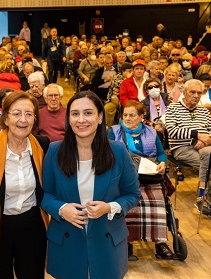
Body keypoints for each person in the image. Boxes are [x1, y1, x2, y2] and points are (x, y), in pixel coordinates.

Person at [40, 91, 140, 279]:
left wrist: (110, 207)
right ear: (68, 119)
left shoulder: (117, 151)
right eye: (75, 114)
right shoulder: (55, 151)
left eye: (88, 113)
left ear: (100, 117)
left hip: (107, 241)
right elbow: (45, 194)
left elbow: (133, 194)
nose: (81, 120)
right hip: (66, 241)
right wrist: (61, 209)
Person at [0, 91, 50, 279]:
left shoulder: (42, 145)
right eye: (16, 113)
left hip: (32, 225)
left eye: (29, 114)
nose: (23, 119)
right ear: (5, 118)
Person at [108, 100, 171, 260]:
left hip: (149, 175)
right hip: (123, 177)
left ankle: (160, 242)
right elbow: (108, 155)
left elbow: (161, 153)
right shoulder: (114, 132)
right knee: (128, 202)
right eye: (125, 115)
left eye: (132, 115)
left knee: (158, 201)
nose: (127, 118)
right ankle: (126, 241)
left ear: (142, 117)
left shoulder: (151, 132)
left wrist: (162, 163)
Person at [165, 79, 211, 213]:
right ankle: (207, 199)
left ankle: (204, 197)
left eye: (199, 93)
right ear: (184, 92)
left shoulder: (204, 111)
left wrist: (209, 140)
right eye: (192, 92)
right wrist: (197, 135)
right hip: (182, 148)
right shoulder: (173, 108)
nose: (196, 95)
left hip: (206, 147)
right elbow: (172, 131)